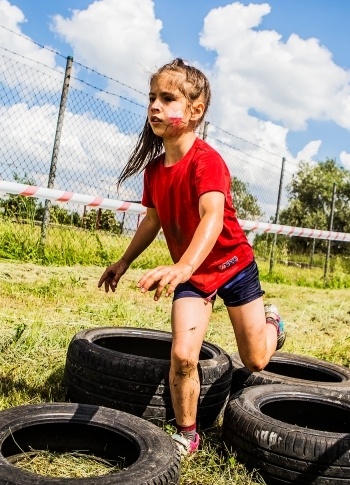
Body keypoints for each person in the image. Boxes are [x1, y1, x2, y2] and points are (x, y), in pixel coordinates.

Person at [97, 58, 285, 456]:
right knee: (182, 354)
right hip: (193, 277)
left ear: (196, 111)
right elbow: (152, 221)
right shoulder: (154, 171)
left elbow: (212, 219)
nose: (154, 106)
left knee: (255, 361)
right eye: (152, 98)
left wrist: (182, 265)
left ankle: (273, 322)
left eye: (167, 98)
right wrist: (124, 261)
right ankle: (188, 433)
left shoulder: (207, 161)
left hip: (232, 266)